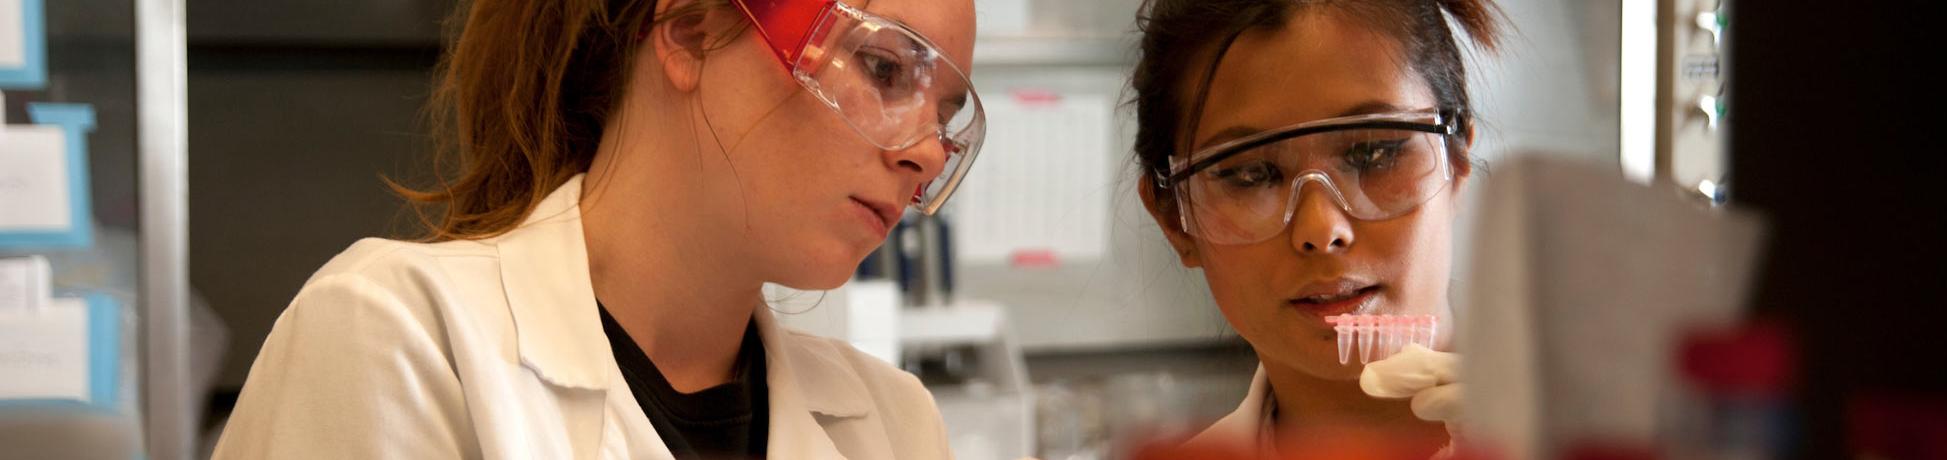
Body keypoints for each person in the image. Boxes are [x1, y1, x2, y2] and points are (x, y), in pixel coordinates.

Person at [211, 0, 983, 457]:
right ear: (686, 32)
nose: (922, 150)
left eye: (948, 118)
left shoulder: (891, 426)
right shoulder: (398, 338)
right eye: (885, 69)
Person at [1126, 0, 1502, 457]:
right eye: (1250, 175)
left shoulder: (1586, 434)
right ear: (1174, 220)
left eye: (1374, 154)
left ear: (1456, 162)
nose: (1321, 229)